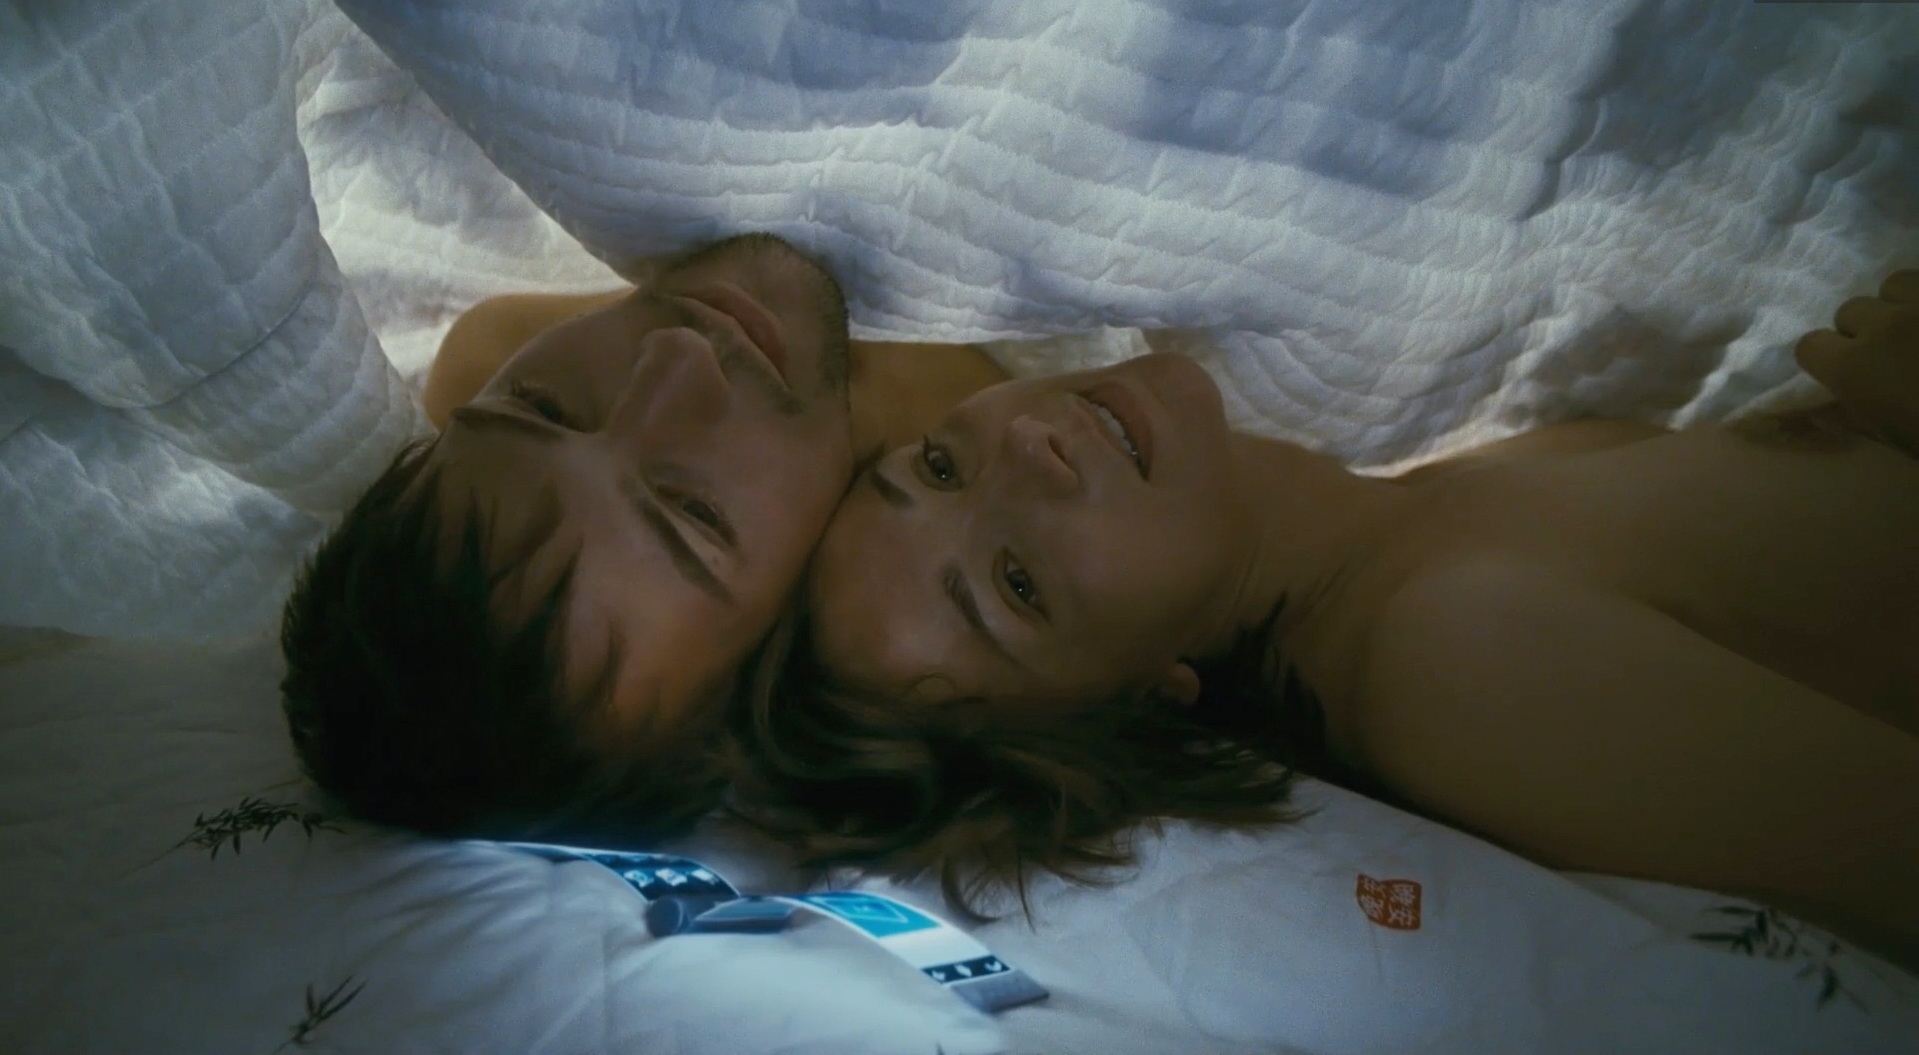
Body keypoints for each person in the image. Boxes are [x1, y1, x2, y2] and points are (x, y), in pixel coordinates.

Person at [736, 271, 1919, 974]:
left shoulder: (1406, 523)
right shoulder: (1450, 660)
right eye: (1017, 585)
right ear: (1146, 691)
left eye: (937, 464)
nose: (1028, 448)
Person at [278, 233, 1006, 843]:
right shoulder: (1004, 471)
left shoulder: (485, 352)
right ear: (797, 630)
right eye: (695, 512)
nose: (678, 353)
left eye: (543, 408)